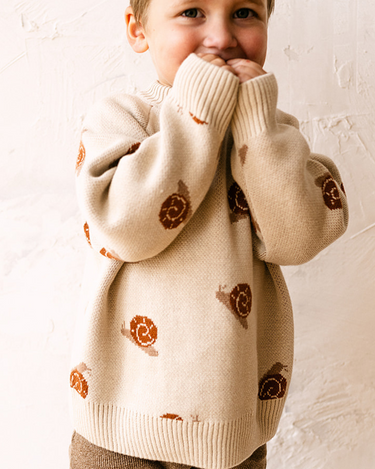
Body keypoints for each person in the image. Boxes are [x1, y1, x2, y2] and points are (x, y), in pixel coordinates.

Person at [69, 0, 349, 468]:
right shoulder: (120, 119)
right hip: (116, 426)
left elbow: (301, 238)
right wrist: (197, 110)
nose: (221, 37)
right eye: (192, 12)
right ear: (139, 31)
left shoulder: (271, 134)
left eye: (244, 12)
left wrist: (257, 128)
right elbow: (124, 227)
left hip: (229, 433)